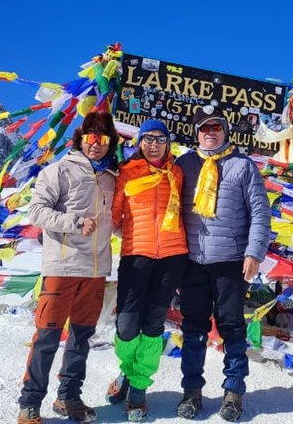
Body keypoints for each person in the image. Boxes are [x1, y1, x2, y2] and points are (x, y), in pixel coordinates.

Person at [16, 112, 120, 424]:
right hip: (62, 267)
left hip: (95, 271)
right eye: (91, 137)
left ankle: (68, 396)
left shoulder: (112, 179)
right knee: (47, 337)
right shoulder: (58, 171)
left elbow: (115, 222)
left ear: (110, 143)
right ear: (80, 139)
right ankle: (30, 402)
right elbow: (37, 211)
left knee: (81, 338)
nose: (96, 144)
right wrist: (75, 222)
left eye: (103, 138)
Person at [174, 106, 271, 422]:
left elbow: (260, 212)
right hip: (192, 262)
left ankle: (233, 392)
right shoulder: (184, 164)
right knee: (193, 327)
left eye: (216, 127)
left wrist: (254, 253)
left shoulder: (243, 166)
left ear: (225, 131)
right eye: (204, 128)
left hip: (231, 261)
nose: (210, 132)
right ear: (197, 133)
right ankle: (191, 391)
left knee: (231, 326)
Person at [106, 119, 188, 421]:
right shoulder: (126, 172)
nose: (154, 144)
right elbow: (113, 215)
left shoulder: (177, 173)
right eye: (148, 139)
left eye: (160, 139)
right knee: (127, 325)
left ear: (168, 143)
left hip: (172, 256)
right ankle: (127, 371)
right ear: (139, 142)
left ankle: (139, 385)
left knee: (153, 324)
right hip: (135, 255)